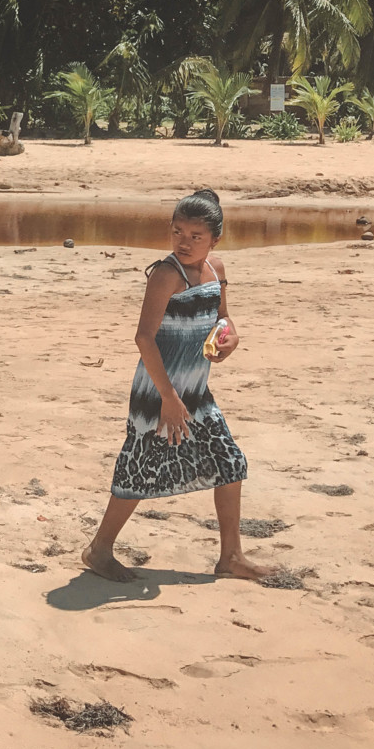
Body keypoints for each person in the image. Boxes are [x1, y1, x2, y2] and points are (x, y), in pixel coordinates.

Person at [80, 189, 275, 582]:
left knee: (230, 463)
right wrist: (167, 397)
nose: (184, 242)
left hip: (196, 392)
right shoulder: (167, 274)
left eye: (195, 236)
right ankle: (99, 549)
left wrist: (230, 339)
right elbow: (144, 338)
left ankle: (231, 557)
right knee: (138, 471)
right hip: (158, 391)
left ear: (215, 240)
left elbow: (223, 319)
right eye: (177, 233)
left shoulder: (217, 270)